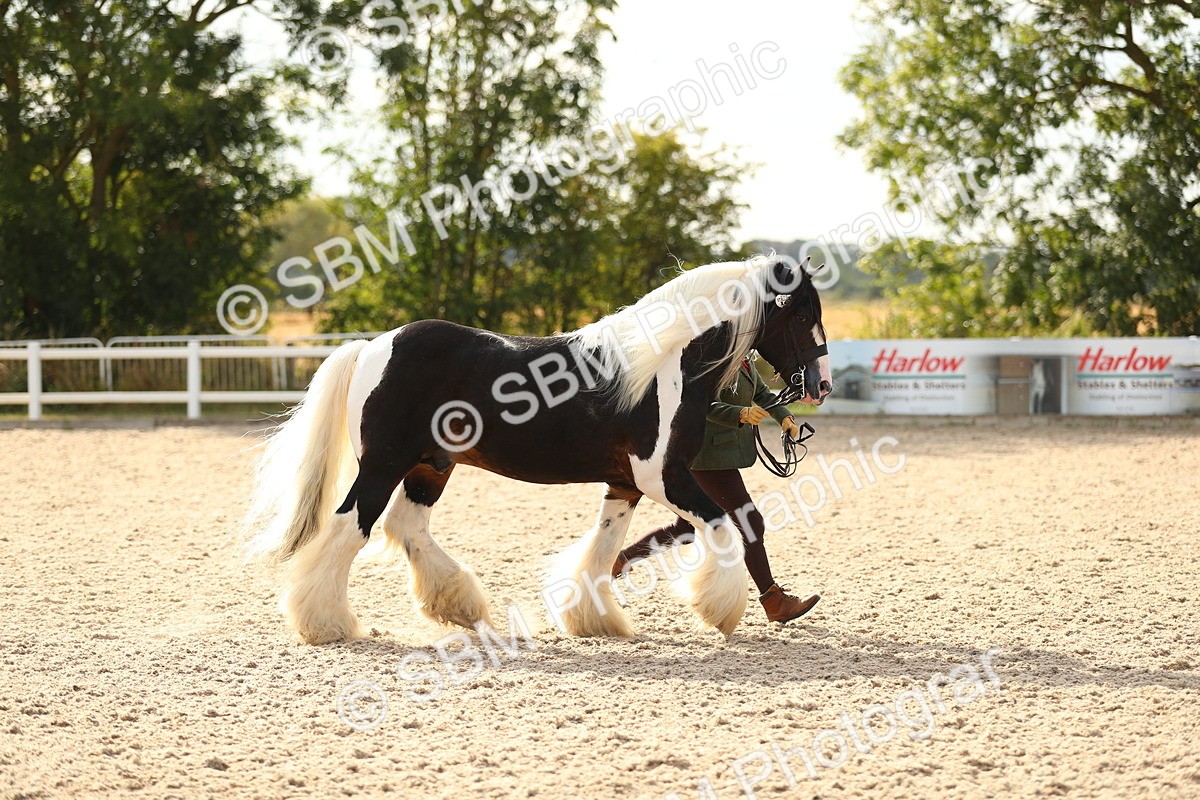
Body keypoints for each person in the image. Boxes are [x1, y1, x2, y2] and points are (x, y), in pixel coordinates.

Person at [611, 355, 821, 623]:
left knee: (685, 528)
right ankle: (773, 600)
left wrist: (784, 417)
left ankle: (620, 561)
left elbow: (761, 392)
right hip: (707, 456)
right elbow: (702, 403)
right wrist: (740, 414)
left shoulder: (744, 357)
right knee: (749, 521)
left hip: (720, 454)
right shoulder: (711, 358)